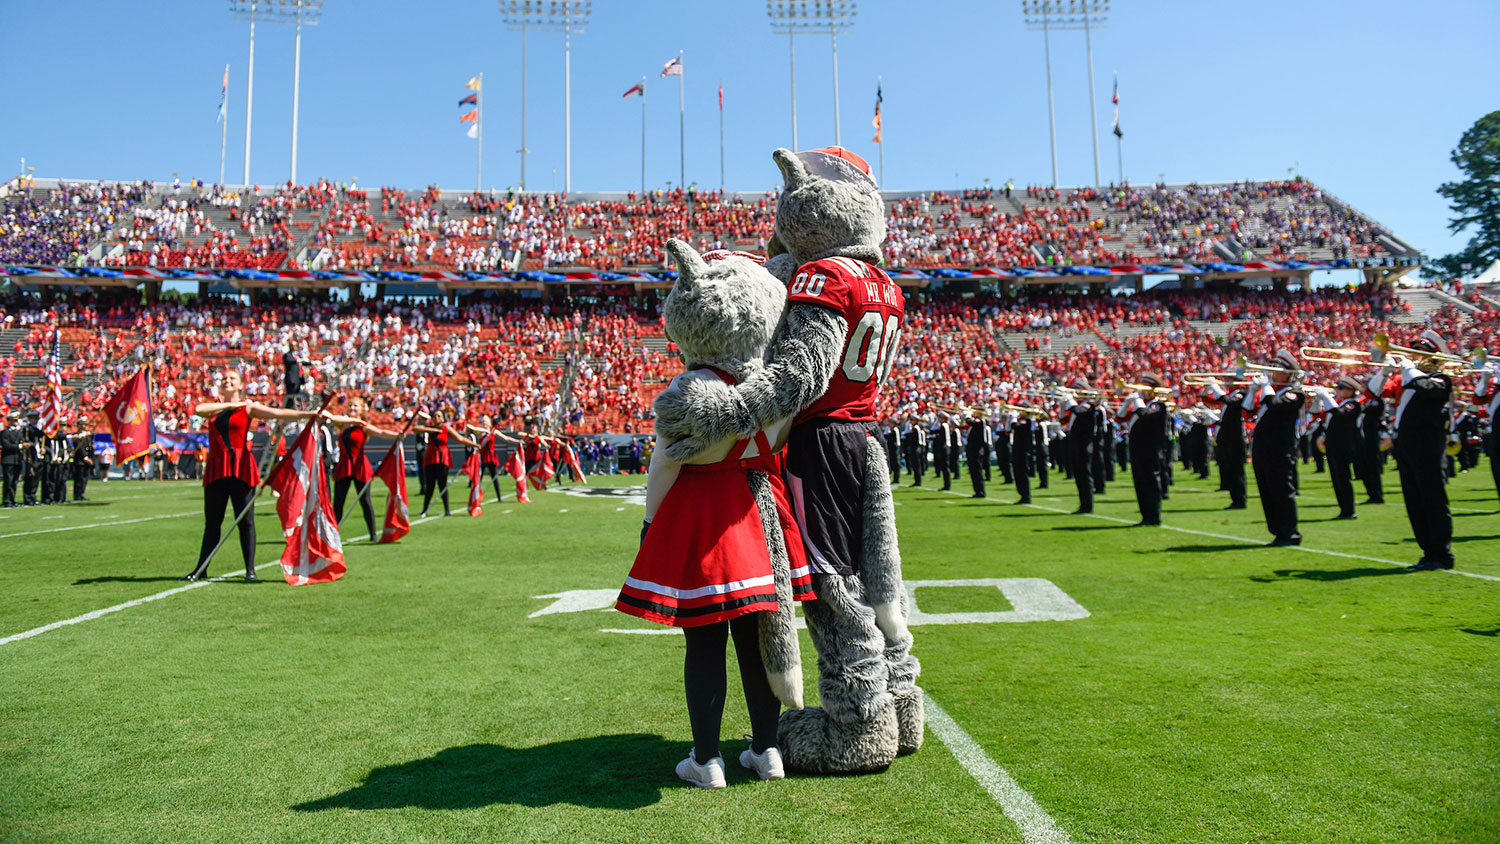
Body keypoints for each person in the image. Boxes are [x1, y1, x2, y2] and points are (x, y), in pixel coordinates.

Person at [182, 369, 319, 582]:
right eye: (224, 378)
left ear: (240, 385)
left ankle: (250, 570)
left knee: (246, 521)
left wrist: (307, 415)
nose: (227, 381)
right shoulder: (214, 408)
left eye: (232, 379)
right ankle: (201, 568)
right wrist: (228, 405)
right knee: (212, 523)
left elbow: (278, 414)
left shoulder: (249, 407)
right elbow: (198, 409)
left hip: (241, 468)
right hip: (217, 468)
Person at [1373, 331, 1455, 569]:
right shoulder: (1407, 378)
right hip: (1406, 443)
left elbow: (1427, 387)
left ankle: (1442, 554)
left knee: (1432, 497)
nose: (1415, 354)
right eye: (1414, 349)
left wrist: (1409, 367)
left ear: (1434, 356)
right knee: (1414, 500)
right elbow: (1375, 392)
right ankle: (1428, 552)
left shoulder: (1442, 378)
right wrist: (1385, 371)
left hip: (1428, 442)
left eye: (1422, 351)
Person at [1244, 350, 1306, 547]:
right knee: (1267, 492)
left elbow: (1276, 405)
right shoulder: (1272, 391)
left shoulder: (1294, 393)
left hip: (1280, 450)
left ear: (1288, 373)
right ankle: (1278, 532)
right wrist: (1254, 390)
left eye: (1277, 368)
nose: (1271, 370)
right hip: (1263, 450)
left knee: (1281, 491)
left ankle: (1290, 534)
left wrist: (1266, 386)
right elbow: (1246, 412)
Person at [326, 397, 402, 543]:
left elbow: (381, 432)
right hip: (344, 466)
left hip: (360, 467)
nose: (352, 409)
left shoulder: (364, 427)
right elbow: (331, 417)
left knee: (365, 501)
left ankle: (373, 534)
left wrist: (397, 436)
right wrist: (351, 421)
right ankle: (332, 535)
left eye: (355, 406)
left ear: (361, 409)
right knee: (338, 502)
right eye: (350, 406)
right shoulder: (343, 424)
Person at [1118, 374, 1170, 527]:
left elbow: (1145, 415)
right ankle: (1145, 516)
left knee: (1151, 483)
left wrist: (1137, 401)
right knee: (1140, 483)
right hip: (1138, 449)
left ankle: (1154, 517)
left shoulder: (1158, 405)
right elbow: (1119, 418)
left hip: (1151, 449)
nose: (1140, 391)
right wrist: (1127, 403)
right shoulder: (1140, 405)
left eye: (1144, 388)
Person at [1313, 374, 1364, 521]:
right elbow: (1317, 414)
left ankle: (1349, 510)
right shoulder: (1340, 403)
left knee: (1343, 478)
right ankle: (1344, 509)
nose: (1338, 390)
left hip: (1344, 446)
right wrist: (1318, 399)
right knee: (1336, 479)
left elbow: (1340, 414)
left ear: (1350, 390)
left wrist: (1326, 397)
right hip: (1334, 446)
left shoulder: (1353, 404)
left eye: (1341, 388)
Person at [412, 409, 478, 518]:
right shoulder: (430, 428)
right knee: (430, 485)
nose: (436, 418)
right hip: (431, 458)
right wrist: (431, 430)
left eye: (438, 416)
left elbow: (460, 438)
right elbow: (415, 429)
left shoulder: (446, 428)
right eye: (434, 416)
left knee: (442, 484)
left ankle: (447, 510)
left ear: (442, 418)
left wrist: (474, 445)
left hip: (442, 458)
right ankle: (424, 509)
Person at [1205, 381, 1248, 509]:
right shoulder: (1232, 393)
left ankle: (1240, 499)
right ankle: (1235, 498)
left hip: (1235, 437)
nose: (1226, 380)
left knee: (1236, 469)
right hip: (1228, 437)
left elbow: (1231, 401)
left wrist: (1215, 387)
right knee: (1230, 467)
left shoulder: (1242, 392)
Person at [468, 416, 524, 503]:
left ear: (490, 423)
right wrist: (481, 429)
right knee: (479, 478)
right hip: (482, 457)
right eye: (483, 422)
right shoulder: (480, 432)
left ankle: (499, 497)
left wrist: (518, 441)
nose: (485, 423)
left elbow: (506, 438)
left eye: (486, 422)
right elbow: (471, 427)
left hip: (491, 457)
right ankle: (476, 496)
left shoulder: (494, 432)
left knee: (494, 478)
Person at [1059, 385, 1096, 514]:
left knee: (1085, 476)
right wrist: (1062, 404)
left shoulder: (1089, 405)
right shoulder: (1077, 406)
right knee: (1079, 476)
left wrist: (1069, 400)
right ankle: (1083, 505)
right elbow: (1062, 420)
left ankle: (1088, 505)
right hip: (1075, 444)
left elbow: (1079, 411)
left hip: (1084, 445)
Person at [1357, 377, 1387, 504]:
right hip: (1363, 438)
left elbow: (1370, 413)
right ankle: (1371, 493)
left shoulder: (1376, 401)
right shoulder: (1366, 401)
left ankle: (1376, 495)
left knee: (1372, 468)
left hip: (1371, 438)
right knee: (1365, 468)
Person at [964, 408, 992, 498]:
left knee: (977, 471)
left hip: (977, 449)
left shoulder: (981, 422)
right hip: (973, 448)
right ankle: (977, 491)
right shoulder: (977, 422)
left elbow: (970, 422)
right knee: (973, 471)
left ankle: (981, 491)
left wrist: (968, 415)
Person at [1, 410, 22, 508]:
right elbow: (6, 445)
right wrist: (19, 446)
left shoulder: (19, 432)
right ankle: (7, 500)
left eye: (16, 421)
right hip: (8, 459)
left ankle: (12, 500)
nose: (15, 423)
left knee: (14, 481)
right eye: (13, 421)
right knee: (8, 481)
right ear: (8, 421)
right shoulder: (5, 432)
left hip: (17, 459)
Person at [70, 420, 93, 501]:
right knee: (79, 479)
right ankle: (77, 494)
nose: (86, 426)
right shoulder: (77, 435)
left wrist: (90, 456)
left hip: (87, 460)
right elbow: (79, 448)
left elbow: (89, 447)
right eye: (84, 424)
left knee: (84, 479)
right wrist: (85, 458)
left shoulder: (87, 435)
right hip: (80, 460)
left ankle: (81, 494)